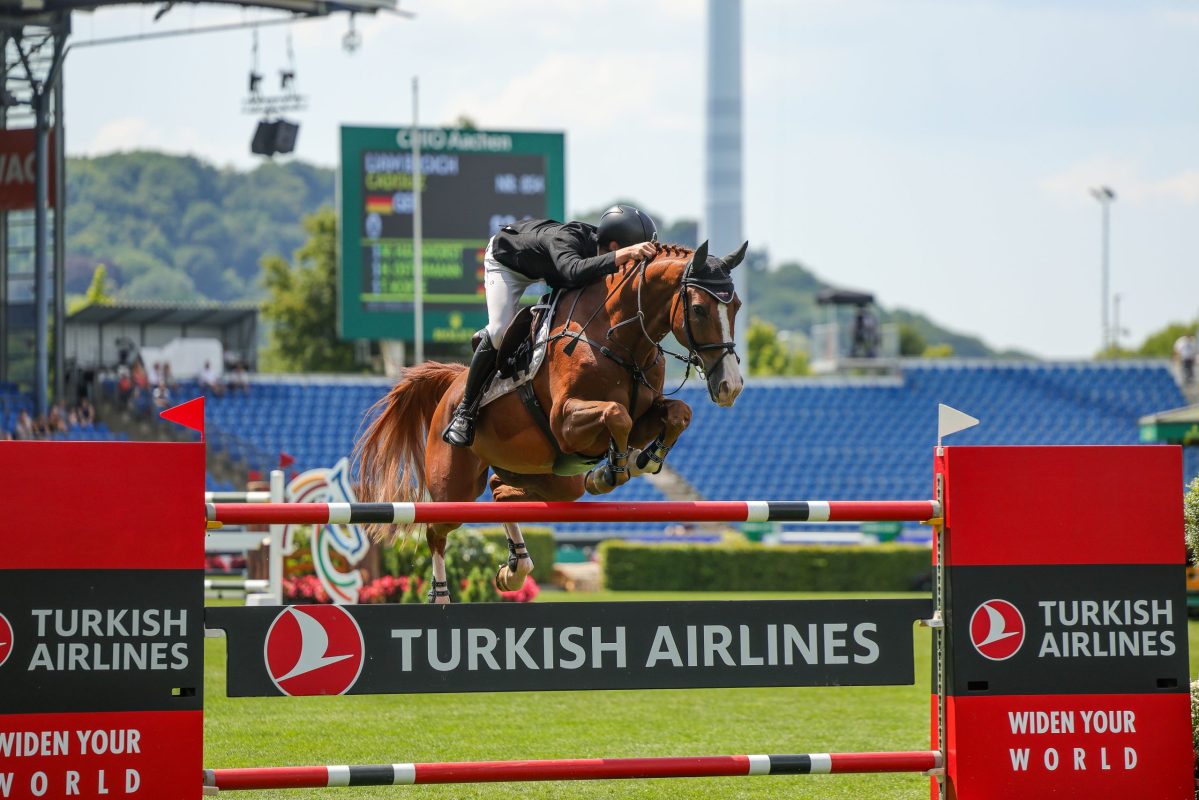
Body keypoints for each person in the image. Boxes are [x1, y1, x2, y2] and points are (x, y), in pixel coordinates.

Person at [442, 205, 659, 447]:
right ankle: (465, 412)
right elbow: (571, 270)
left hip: (547, 267)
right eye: (632, 259)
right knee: (500, 331)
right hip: (507, 262)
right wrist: (623, 257)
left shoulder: (603, 251)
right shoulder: (566, 239)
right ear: (616, 248)